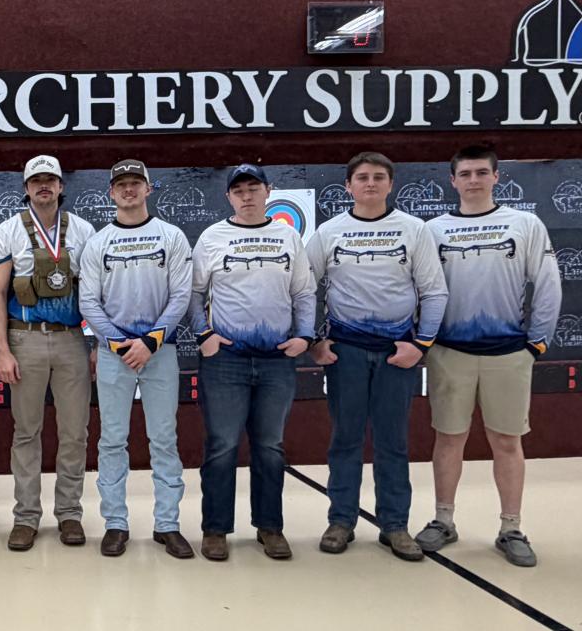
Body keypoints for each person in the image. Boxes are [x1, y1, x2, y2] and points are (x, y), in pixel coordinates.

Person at [416, 145, 561, 567]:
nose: (474, 180)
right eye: (466, 173)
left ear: (497, 177)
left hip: (509, 353)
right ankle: (444, 521)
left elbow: (548, 284)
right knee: (448, 438)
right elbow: (418, 289)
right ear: (453, 180)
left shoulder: (525, 224)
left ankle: (511, 528)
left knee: (507, 441)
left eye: (482, 172)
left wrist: (537, 343)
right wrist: (426, 342)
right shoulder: (432, 230)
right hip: (450, 352)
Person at [308, 151, 448, 561]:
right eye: (363, 177)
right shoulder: (328, 232)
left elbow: (434, 291)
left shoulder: (413, 229)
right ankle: (341, 521)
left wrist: (420, 345)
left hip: (396, 353)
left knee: (393, 441)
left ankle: (395, 525)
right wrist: (315, 340)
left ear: (391, 184)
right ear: (348, 186)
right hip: (346, 351)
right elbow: (302, 288)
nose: (370, 183)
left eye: (378, 177)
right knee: (345, 439)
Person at [188, 163, 316, 562]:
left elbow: (304, 292)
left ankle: (270, 527)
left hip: (277, 360)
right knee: (222, 446)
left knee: (270, 447)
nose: (246, 196)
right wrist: (204, 336)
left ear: (268, 191)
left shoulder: (288, 236)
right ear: (228, 196)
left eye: (253, 188)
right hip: (225, 361)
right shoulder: (212, 237)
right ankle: (215, 529)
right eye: (239, 190)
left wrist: (304, 336)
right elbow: (193, 293)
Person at [79, 159, 194, 559]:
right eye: (121, 184)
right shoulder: (98, 242)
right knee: (112, 440)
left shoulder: (171, 236)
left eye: (135, 183)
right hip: (115, 356)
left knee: (164, 439)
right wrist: (119, 344)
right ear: (111, 192)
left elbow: (181, 295)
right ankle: (115, 523)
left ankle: (168, 525)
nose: (128, 190)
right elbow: (88, 301)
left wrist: (150, 341)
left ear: (149, 188)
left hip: (160, 352)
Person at [0, 154, 97, 551]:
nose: (44, 186)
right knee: (26, 431)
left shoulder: (83, 230)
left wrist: (95, 342)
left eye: (51, 180)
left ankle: (69, 513)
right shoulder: (7, 231)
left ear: (61, 186)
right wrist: (2, 350)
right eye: (37, 181)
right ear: (26, 188)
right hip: (25, 339)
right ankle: (26, 516)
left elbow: (94, 294)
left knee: (75, 432)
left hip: (71, 339)